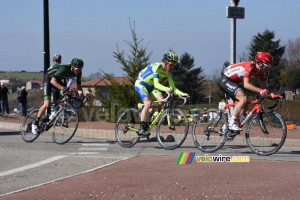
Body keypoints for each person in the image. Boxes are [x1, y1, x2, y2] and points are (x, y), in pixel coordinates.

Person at [219, 51, 282, 137]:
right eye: (267, 66)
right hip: (226, 80)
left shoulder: (261, 72)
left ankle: (228, 125)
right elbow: (246, 84)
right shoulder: (250, 66)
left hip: (235, 82)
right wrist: (260, 91)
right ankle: (232, 122)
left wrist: (272, 95)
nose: (267, 69)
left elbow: (264, 88)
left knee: (245, 104)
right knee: (243, 98)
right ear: (260, 63)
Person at [134, 51, 189, 136]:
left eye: (174, 65)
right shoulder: (157, 67)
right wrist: (167, 89)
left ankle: (147, 113)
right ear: (166, 62)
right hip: (141, 84)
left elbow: (173, 88)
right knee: (148, 102)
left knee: (162, 102)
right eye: (171, 64)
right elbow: (157, 84)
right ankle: (141, 127)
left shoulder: (169, 72)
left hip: (151, 87)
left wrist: (183, 94)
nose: (172, 67)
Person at [32, 57, 86, 134]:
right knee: (47, 104)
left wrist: (82, 96)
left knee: (66, 97)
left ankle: (53, 114)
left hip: (58, 80)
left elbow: (79, 86)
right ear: (72, 67)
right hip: (49, 78)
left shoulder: (78, 72)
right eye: (78, 69)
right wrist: (64, 89)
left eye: (81, 69)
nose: (79, 71)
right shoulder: (64, 68)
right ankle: (35, 123)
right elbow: (53, 81)